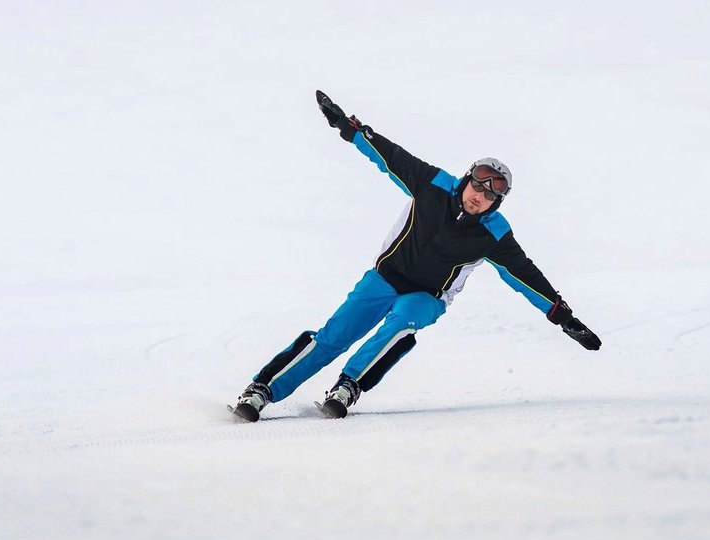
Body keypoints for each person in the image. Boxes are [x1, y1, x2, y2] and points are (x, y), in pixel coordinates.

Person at [230, 90, 601, 421]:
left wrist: (561, 314)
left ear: (496, 202)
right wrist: (351, 129)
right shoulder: (433, 184)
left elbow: (525, 275)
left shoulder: (494, 233)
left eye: (490, 195)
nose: (480, 196)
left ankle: (348, 386)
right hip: (385, 279)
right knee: (333, 336)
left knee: (403, 323)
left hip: (426, 296)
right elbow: (391, 156)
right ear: (467, 178)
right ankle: (262, 391)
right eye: (478, 185)